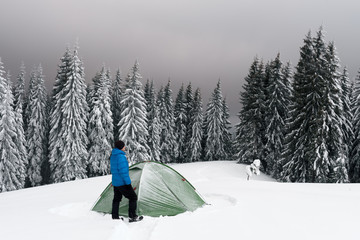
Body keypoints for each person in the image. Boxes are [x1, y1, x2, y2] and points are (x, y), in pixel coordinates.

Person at [110, 140, 143, 222]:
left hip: (115, 182)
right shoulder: (121, 157)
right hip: (122, 182)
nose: (125, 147)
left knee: (116, 199)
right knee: (133, 197)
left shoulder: (113, 155)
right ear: (121, 147)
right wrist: (128, 183)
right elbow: (123, 172)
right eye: (124, 146)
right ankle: (132, 216)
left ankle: (115, 217)